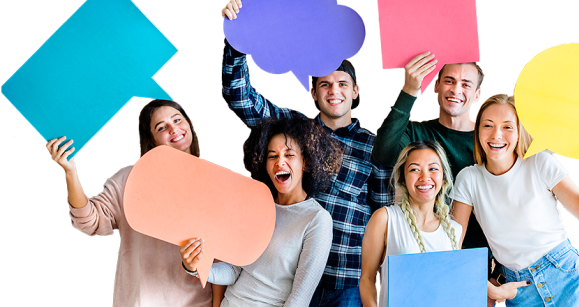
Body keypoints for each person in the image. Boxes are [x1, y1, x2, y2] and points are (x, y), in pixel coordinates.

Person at [220, 1, 394, 305]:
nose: (333, 91)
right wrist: (237, 36)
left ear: (355, 91)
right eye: (324, 84)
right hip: (284, 279)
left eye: (342, 83)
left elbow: (384, 214)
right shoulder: (293, 132)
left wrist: (378, 279)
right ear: (313, 92)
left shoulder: (373, 145)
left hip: (346, 282)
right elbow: (240, 96)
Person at [451, 93, 579, 306]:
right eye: (488, 125)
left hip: (565, 276)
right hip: (518, 290)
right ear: (477, 131)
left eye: (507, 127)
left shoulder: (539, 162)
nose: (496, 135)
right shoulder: (469, 178)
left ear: (520, 131)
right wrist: (486, 286)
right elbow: (451, 243)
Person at [45, 99, 213, 306]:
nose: (173, 129)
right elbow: (88, 222)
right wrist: (70, 172)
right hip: (141, 301)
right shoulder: (129, 179)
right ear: (151, 140)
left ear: (188, 124)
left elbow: (225, 257)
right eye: (162, 127)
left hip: (198, 302)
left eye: (177, 120)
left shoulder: (215, 181)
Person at [371, 52, 498, 302]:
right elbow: (383, 152)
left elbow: (508, 203)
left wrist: (499, 274)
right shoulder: (416, 132)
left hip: (474, 268)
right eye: (449, 80)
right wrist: (409, 89)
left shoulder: (490, 143)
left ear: (477, 95)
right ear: (436, 85)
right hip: (418, 262)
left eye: (466, 84)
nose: (456, 89)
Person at [179, 114, 339, 307]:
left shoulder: (317, 219)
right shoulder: (257, 206)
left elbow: (299, 300)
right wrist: (194, 266)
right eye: (272, 156)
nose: (280, 163)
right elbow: (234, 271)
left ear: (305, 163)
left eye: (289, 155)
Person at [360, 140, 463, 307]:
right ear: (402, 177)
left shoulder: (455, 230)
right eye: (415, 169)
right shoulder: (385, 219)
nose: (425, 177)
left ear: (443, 177)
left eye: (433, 169)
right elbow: (367, 279)